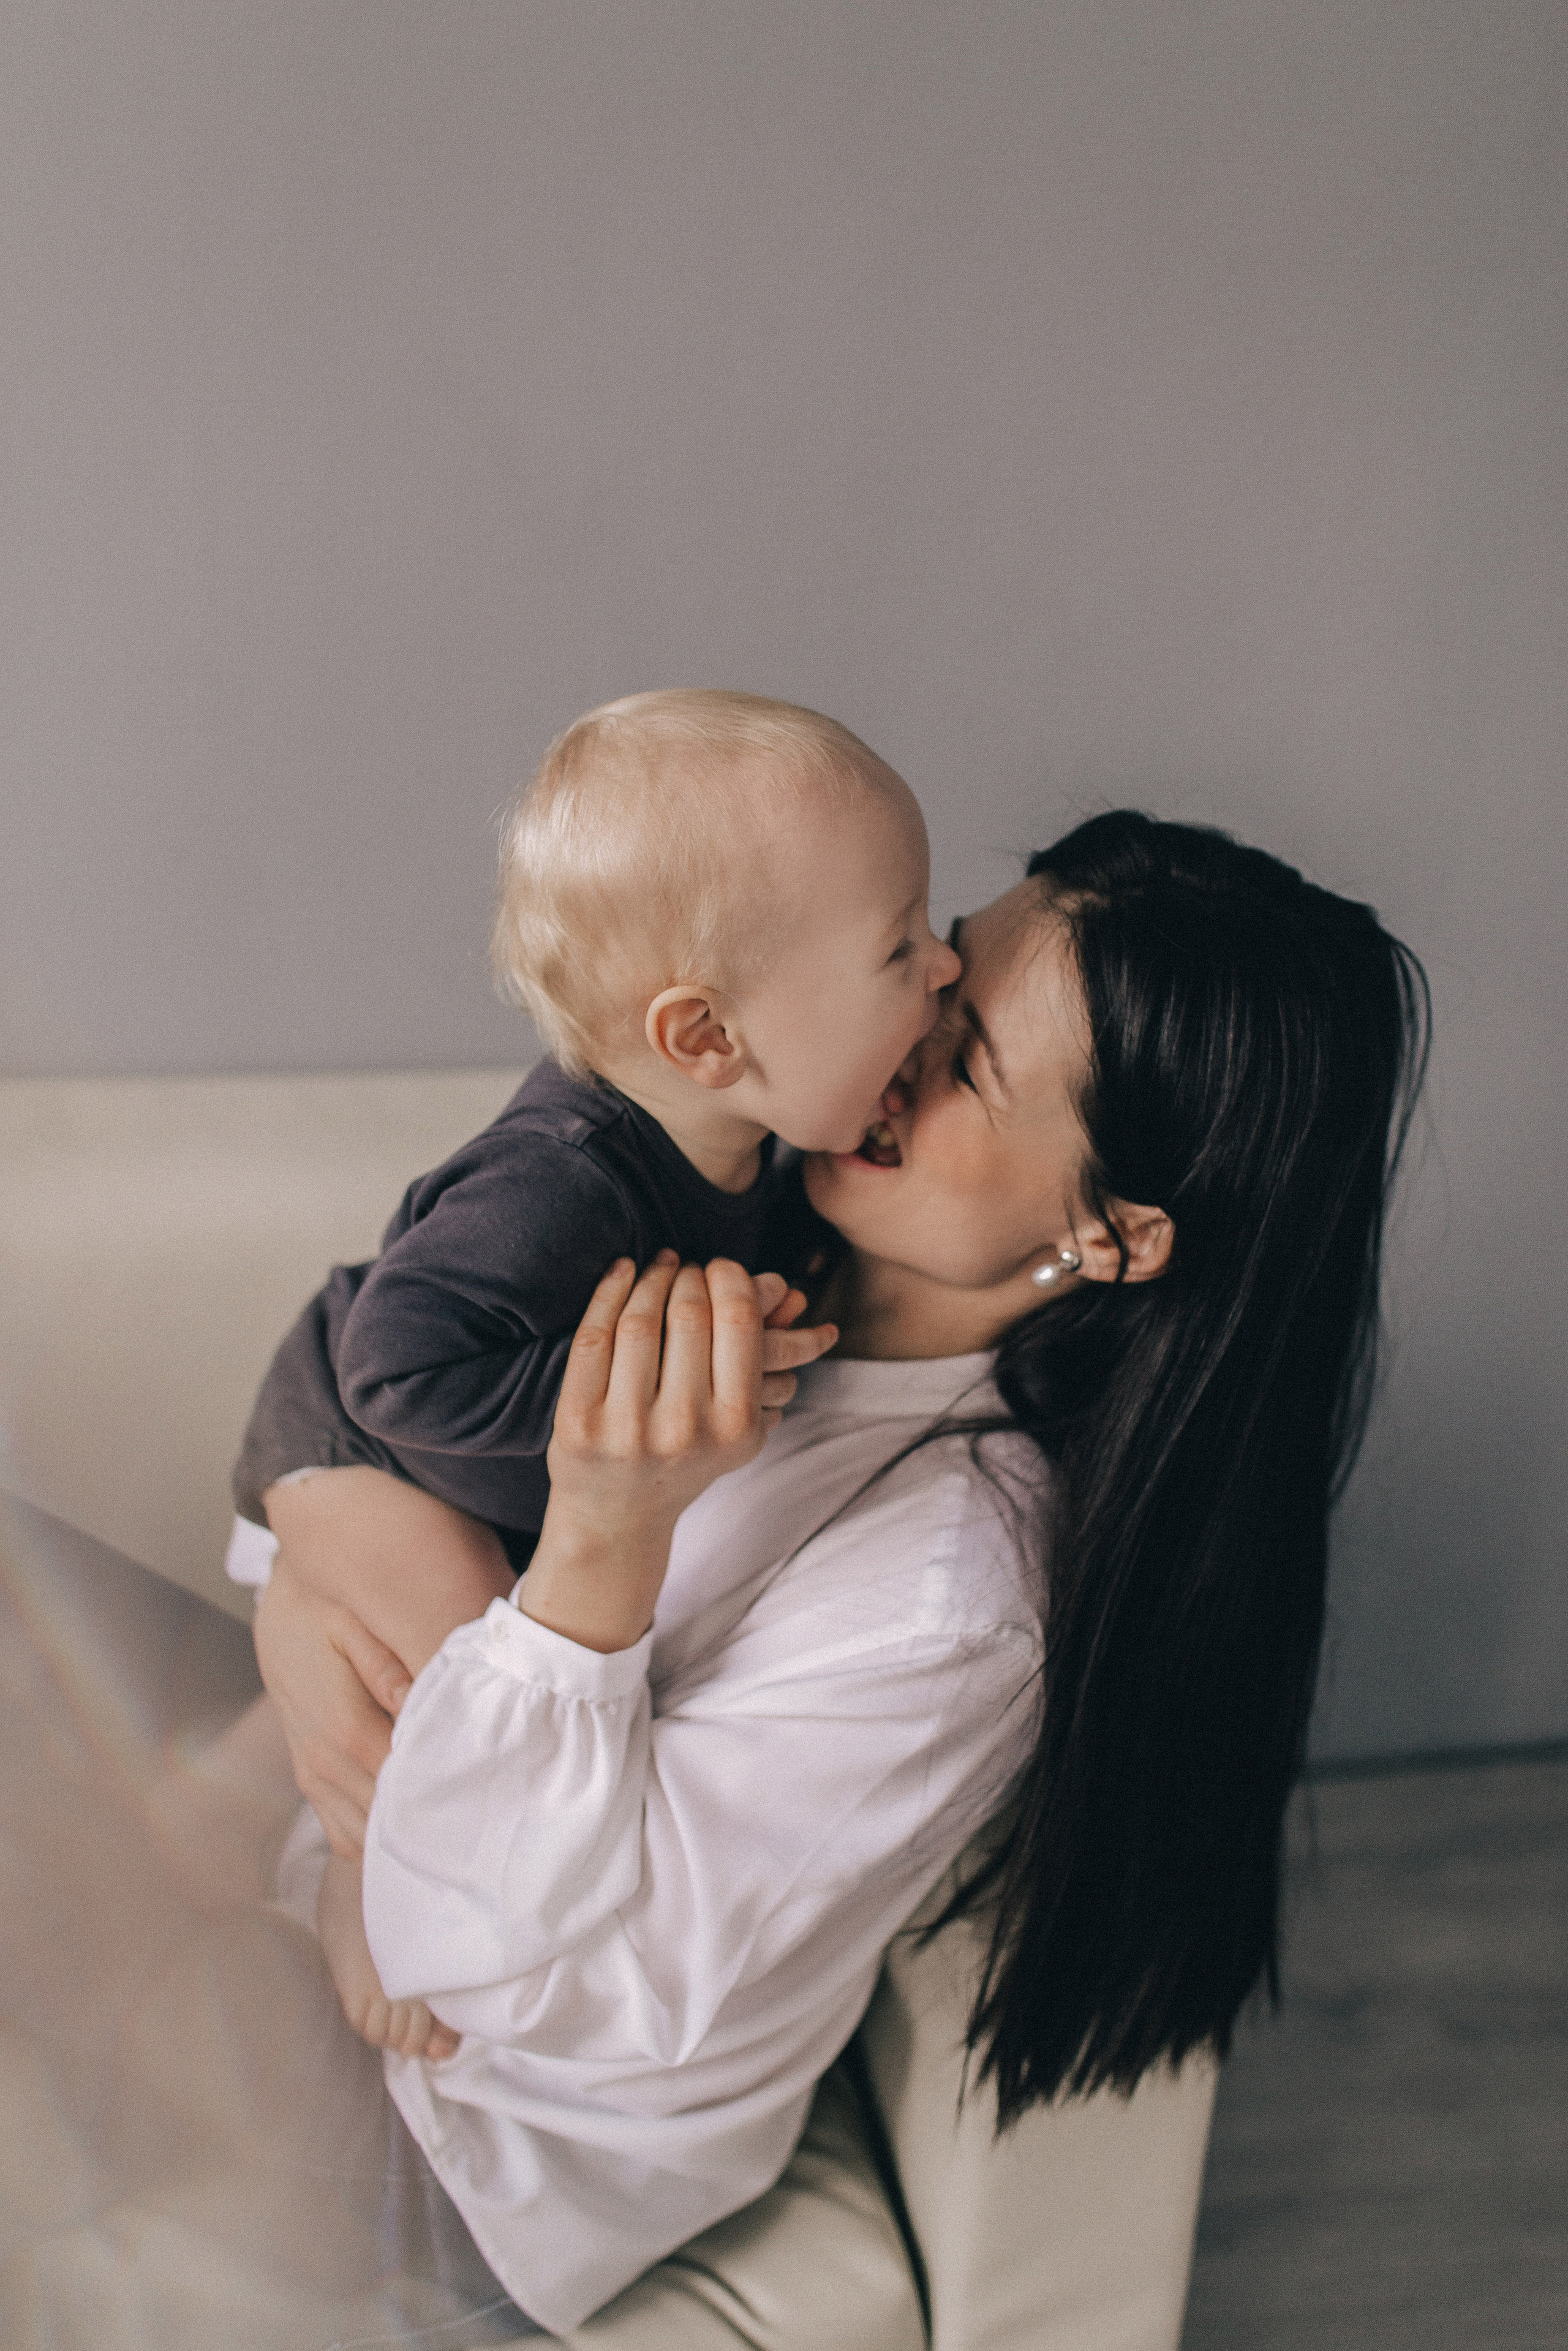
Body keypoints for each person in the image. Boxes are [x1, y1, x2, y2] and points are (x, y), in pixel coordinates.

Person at [255, 810, 1429, 2337]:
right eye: (931, 986)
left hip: (466, 2138)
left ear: (1112, 1231)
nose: (897, 1051)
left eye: (969, 1066)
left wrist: (601, 1544)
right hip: (309, 1876)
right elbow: (364, 1336)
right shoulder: (744, 1211)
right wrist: (304, 1551)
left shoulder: (951, 1596)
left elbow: (553, 1991)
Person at [227, 689, 960, 2057]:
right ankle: (356, 1873)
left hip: (431, 1453)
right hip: (356, 1439)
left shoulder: (765, 1155)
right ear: (705, 1039)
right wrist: (626, 1393)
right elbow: (400, 1367)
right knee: (469, 1673)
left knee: (438, 1671)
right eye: (898, 947)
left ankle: (219, 1795)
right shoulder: (561, 1176)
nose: (942, 972)